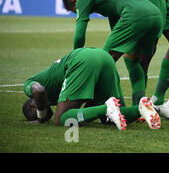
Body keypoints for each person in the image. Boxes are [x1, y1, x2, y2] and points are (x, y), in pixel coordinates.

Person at [62, 0, 162, 106]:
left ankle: (120, 108)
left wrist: (75, 56)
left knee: (102, 62)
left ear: (75, 1)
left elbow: (80, 34)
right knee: (132, 61)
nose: (78, 12)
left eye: (74, 10)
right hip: (156, 16)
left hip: (134, 14)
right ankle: (139, 107)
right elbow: (115, 27)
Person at [22, 47, 161, 130]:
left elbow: (38, 91)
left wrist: (40, 118)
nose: (45, 114)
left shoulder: (31, 84)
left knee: (60, 119)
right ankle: (141, 108)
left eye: (39, 111)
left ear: (34, 106)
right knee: (109, 119)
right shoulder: (52, 97)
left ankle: (106, 108)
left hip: (83, 60)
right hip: (104, 57)